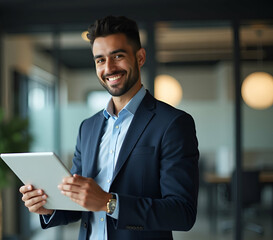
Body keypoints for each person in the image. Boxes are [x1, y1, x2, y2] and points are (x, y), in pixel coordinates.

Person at [19, 15, 199, 240]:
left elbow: (182, 213)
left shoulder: (172, 123)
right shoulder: (88, 127)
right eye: (100, 60)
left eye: (118, 56)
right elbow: (80, 200)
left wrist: (109, 203)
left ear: (140, 57)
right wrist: (48, 208)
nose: (109, 68)